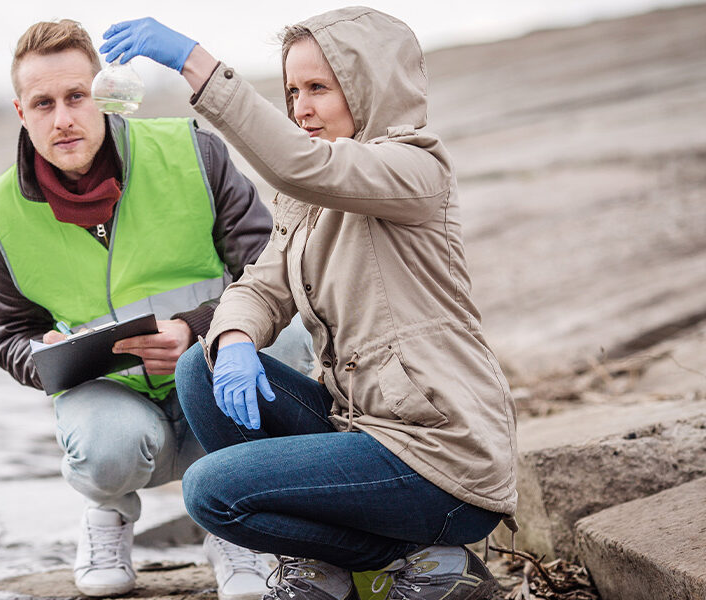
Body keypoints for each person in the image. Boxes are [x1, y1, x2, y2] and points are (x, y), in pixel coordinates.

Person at [100, 7, 518, 600]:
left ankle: (424, 558)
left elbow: (303, 165)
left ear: (368, 86)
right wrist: (236, 339)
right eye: (292, 90)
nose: (300, 108)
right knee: (203, 363)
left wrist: (194, 61)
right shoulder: (309, 203)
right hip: (365, 431)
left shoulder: (415, 169)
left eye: (319, 88)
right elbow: (258, 286)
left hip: (440, 458)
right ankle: (327, 566)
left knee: (211, 491)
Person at [0, 19, 315, 598]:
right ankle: (106, 513)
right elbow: (11, 333)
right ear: (20, 111)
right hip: (114, 399)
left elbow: (269, 267)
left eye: (77, 96)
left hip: (209, 371)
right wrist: (44, 355)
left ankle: (232, 519)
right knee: (106, 447)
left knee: (285, 343)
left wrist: (196, 329)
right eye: (43, 103)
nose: (63, 119)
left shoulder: (191, 150)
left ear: (103, 94)